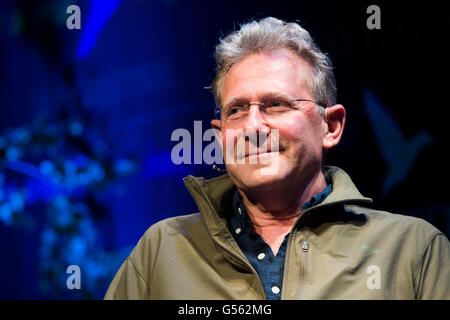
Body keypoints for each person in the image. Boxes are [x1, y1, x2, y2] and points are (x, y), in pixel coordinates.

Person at [104, 17, 450, 299]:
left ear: (330, 126)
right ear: (220, 135)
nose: (253, 125)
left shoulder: (413, 250)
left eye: (276, 105)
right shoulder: (161, 251)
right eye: (236, 110)